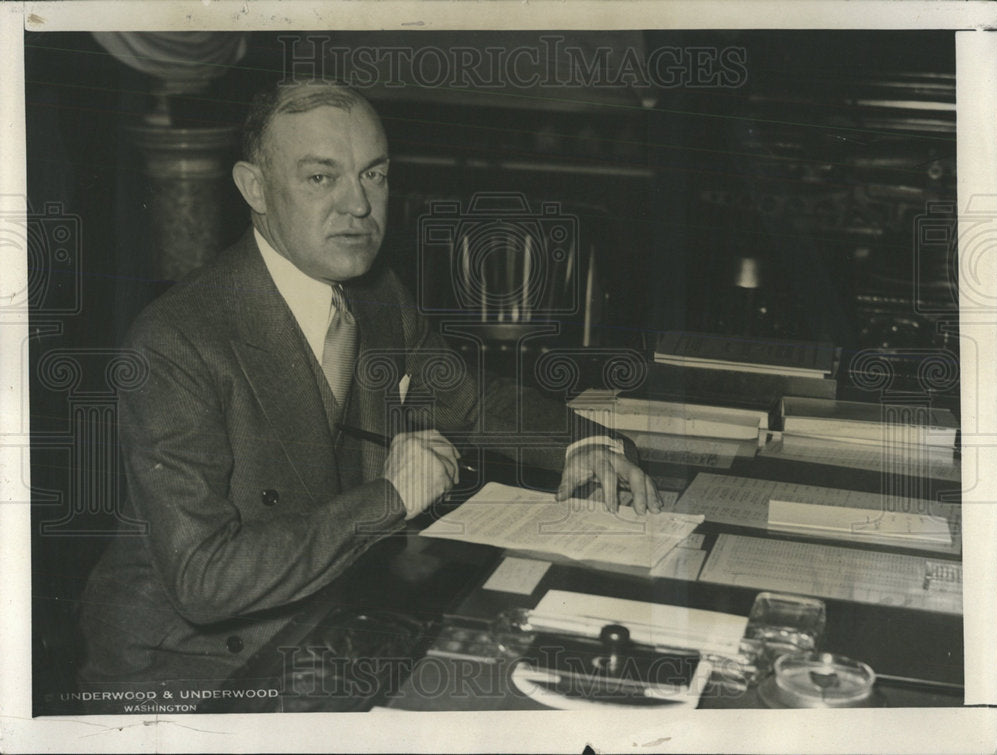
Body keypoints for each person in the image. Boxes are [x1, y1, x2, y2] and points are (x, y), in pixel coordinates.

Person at [78, 80, 662, 690]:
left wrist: (584, 445)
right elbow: (205, 581)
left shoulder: (374, 292)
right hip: (194, 670)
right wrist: (390, 496)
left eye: (374, 175)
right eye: (321, 177)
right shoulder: (177, 338)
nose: (358, 205)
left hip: (333, 616)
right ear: (254, 188)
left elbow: (472, 397)